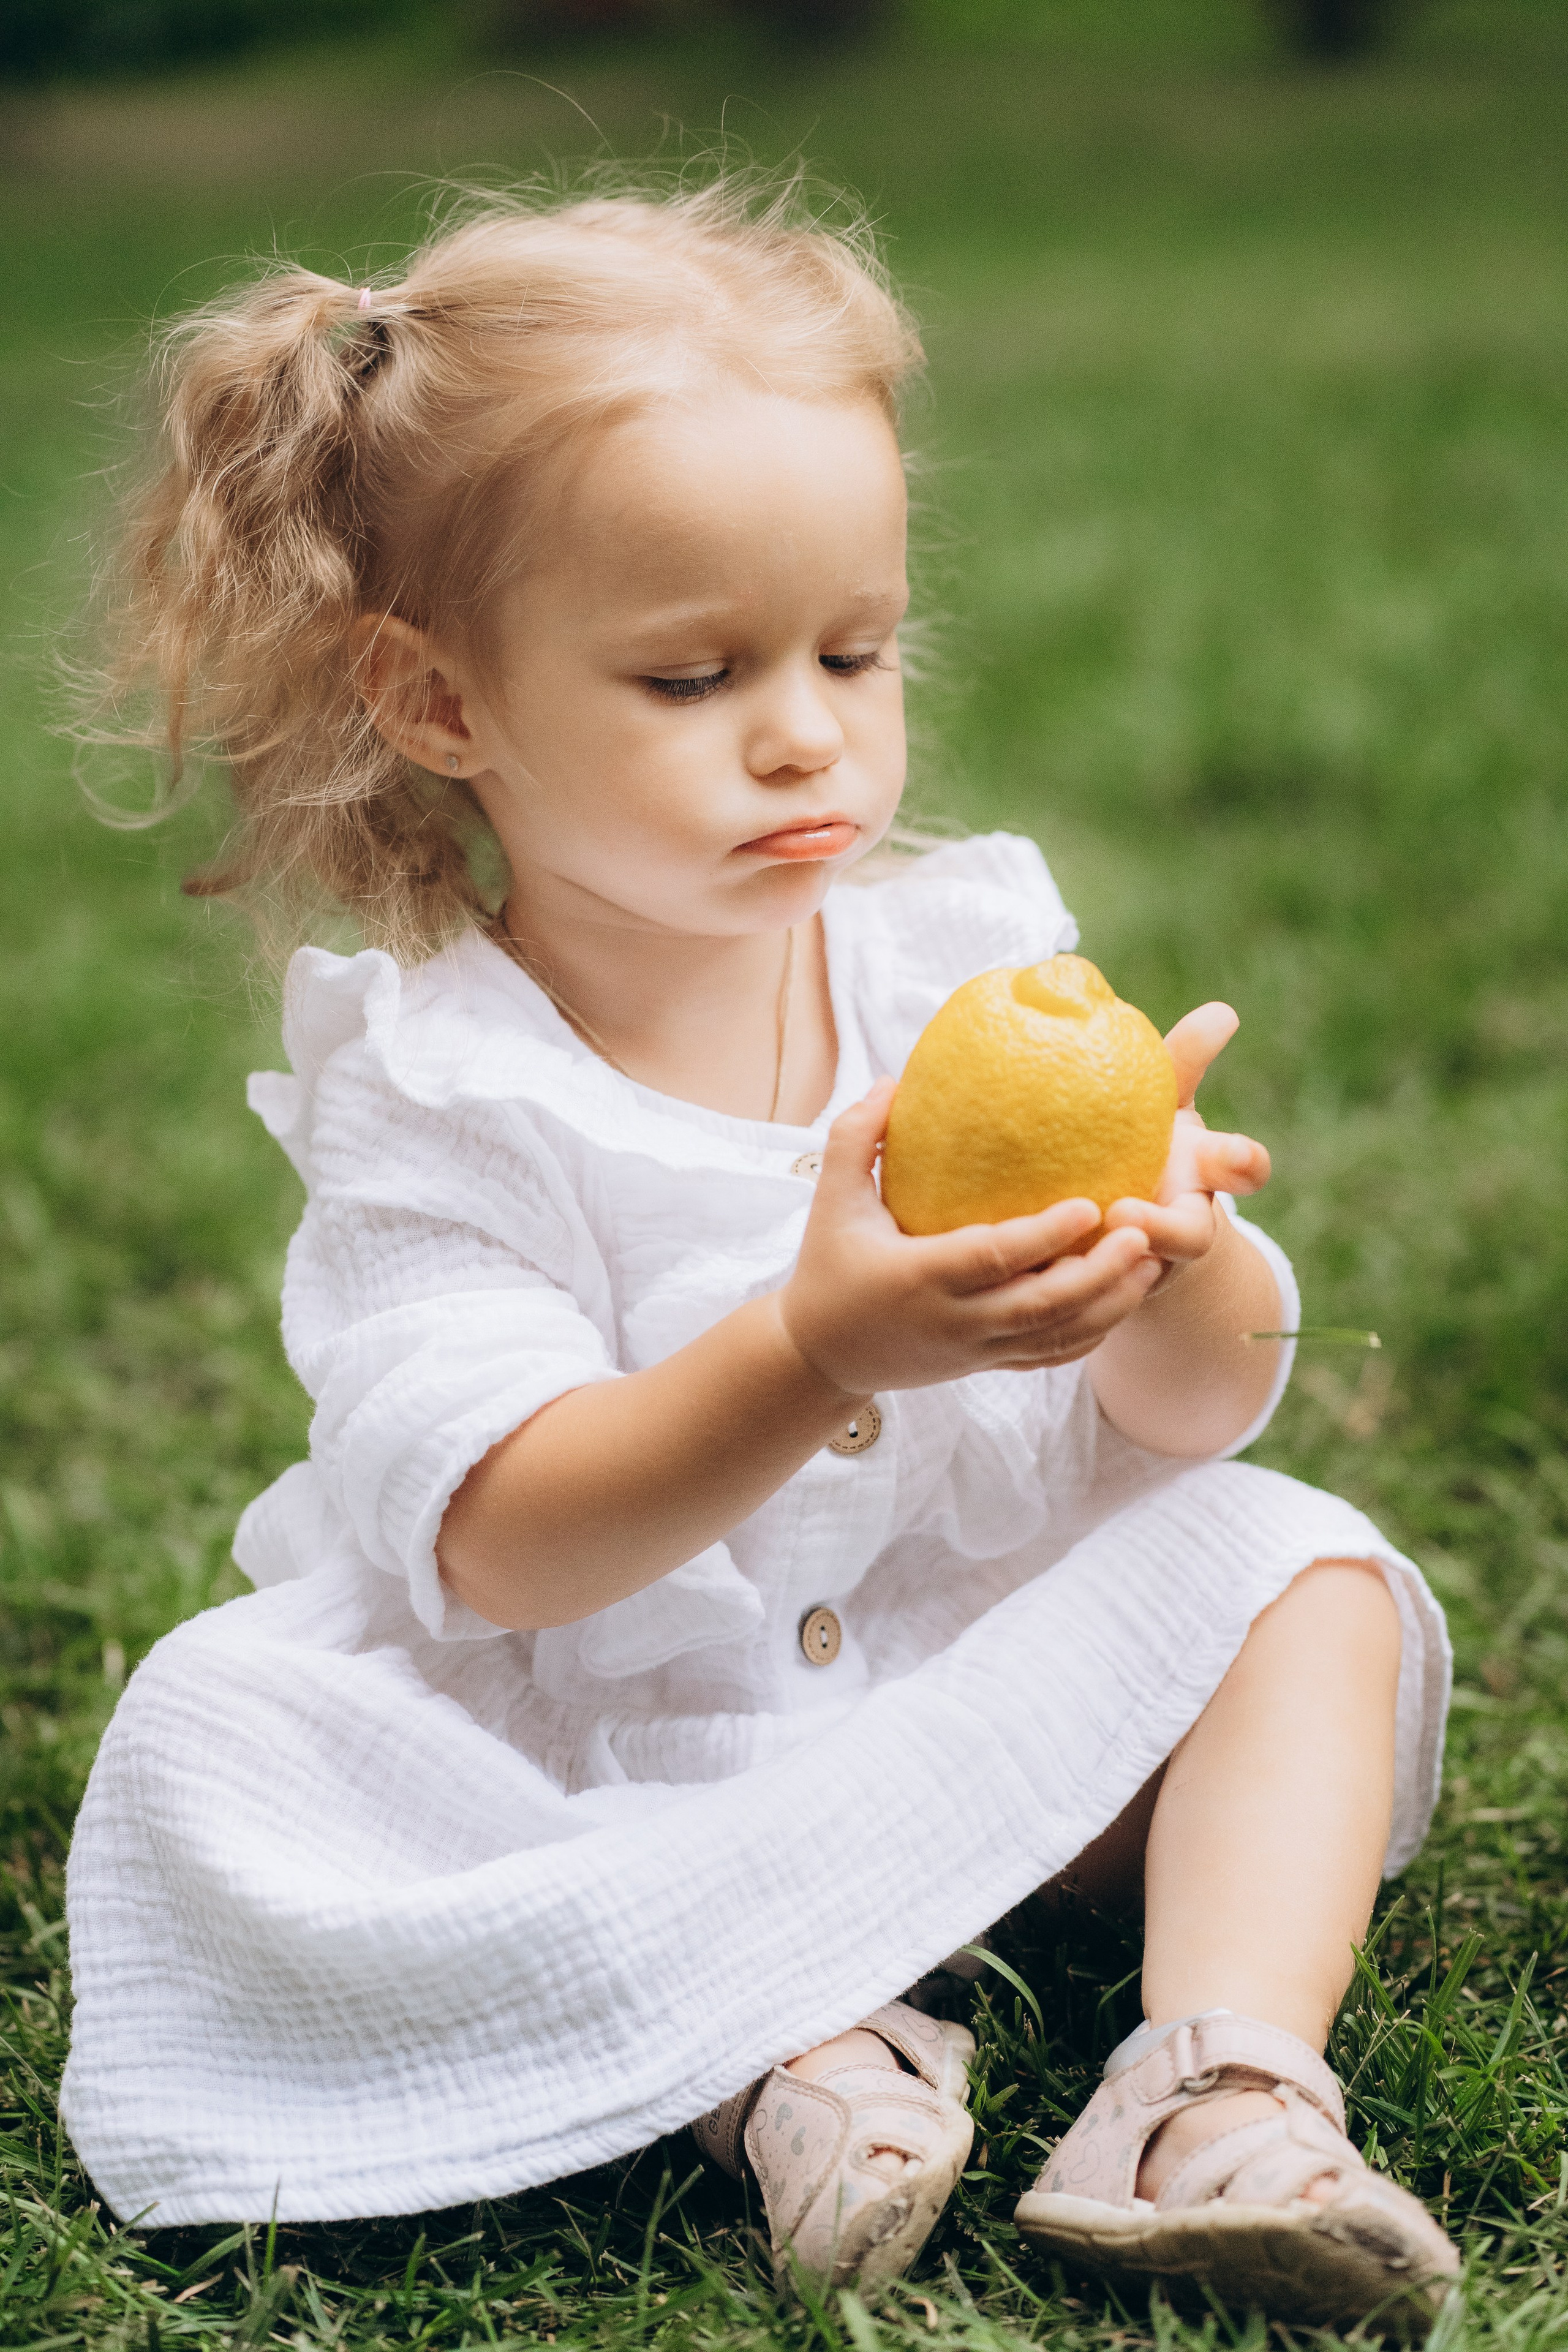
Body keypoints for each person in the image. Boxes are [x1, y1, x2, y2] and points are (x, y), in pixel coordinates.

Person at [61, 180, 1458, 2329]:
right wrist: (817, 1344)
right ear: (439, 705)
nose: (807, 732)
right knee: (224, 1733)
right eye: (695, 674)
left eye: (855, 652)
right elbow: (511, 1547)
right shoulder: (440, 1093)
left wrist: (1179, 1267)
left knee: (1305, 1568)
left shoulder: (972, 966)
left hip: (959, 1699)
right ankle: (796, 2054)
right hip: (600, 1751)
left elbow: (1178, 1426)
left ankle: (1218, 2087)